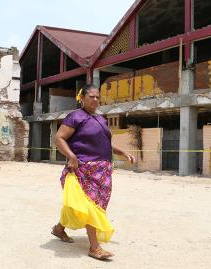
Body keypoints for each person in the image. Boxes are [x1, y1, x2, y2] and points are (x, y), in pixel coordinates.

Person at [51, 84, 135, 260]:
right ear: (82, 98)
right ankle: (94, 247)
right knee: (91, 206)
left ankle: (59, 229)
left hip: (103, 170)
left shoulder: (101, 119)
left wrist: (123, 153)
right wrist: (71, 156)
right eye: (91, 96)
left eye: (98, 97)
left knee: (87, 205)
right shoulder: (75, 117)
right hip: (82, 169)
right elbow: (59, 138)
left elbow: (105, 144)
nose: (95, 100)